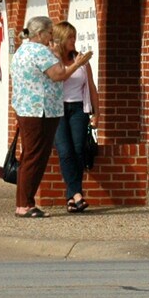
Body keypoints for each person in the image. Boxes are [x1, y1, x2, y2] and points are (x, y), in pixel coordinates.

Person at [7, 14, 93, 218]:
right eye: (50, 32)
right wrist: (78, 63)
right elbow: (59, 75)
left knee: (28, 156)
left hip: (26, 109)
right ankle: (26, 204)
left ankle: (22, 203)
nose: (52, 36)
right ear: (40, 33)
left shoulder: (22, 50)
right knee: (35, 157)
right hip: (40, 111)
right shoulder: (40, 51)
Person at [52, 21, 100, 213]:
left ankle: (72, 197)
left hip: (79, 107)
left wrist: (97, 113)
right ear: (62, 39)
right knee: (65, 151)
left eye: (75, 37)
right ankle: (77, 194)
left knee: (78, 149)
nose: (74, 41)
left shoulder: (81, 61)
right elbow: (60, 77)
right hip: (58, 109)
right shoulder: (52, 61)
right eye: (70, 37)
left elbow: (91, 86)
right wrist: (76, 65)